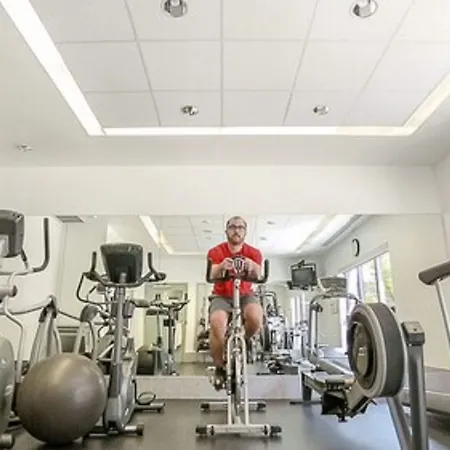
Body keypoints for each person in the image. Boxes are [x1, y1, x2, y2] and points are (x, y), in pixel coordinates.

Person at [206, 216, 263, 389]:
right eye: (232, 227)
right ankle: (219, 367)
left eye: (240, 227)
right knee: (217, 323)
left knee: (255, 317)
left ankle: (244, 340)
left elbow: (259, 274)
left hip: (245, 294)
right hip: (221, 296)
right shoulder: (216, 251)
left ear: (245, 232)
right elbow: (211, 273)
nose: (236, 230)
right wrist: (221, 266)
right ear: (226, 231)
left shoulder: (254, 253)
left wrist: (251, 265)